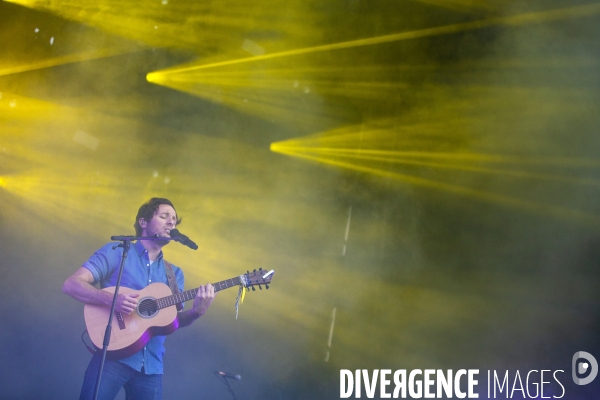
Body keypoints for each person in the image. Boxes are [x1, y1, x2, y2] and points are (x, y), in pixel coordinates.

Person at [62, 197, 215, 400]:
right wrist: (109, 299)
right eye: (164, 216)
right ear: (143, 222)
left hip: (151, 368)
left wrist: (196, 312)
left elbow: (173, 322)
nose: (171, 222)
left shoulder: (174, 274)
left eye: (174, 219)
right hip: (112, 358)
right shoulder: (117, 252)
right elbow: (71, 284)